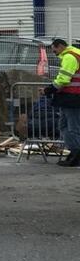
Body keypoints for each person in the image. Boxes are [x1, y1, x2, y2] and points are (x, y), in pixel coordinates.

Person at [46, 38, 80, 167]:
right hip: (70, 97)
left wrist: (50, 89)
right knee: (65, 126)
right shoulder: (75, 55)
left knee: (72, 128)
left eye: (54, 49)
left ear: (60, 46)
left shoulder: (69, 57)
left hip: (72, 97)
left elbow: (64, 78)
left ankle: (76, 154)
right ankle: (74, 152)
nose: (54, 52)